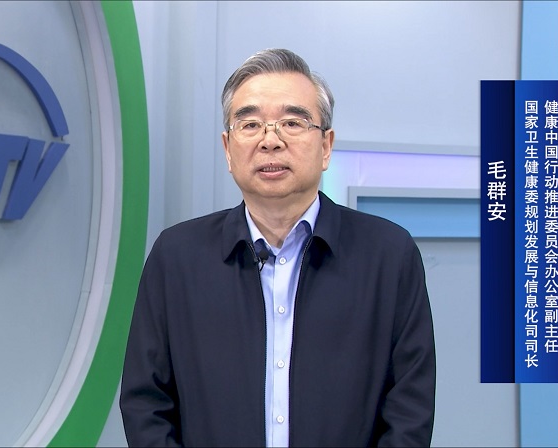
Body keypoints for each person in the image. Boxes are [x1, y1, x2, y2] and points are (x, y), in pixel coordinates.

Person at [120, 48, 436, 447]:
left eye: (292, 122)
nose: (270, 140)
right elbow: (145, 403)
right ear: (227, 149)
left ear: (326, 146)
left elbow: (409, 410)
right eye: (250, 124)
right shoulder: (177, 257)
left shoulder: (389, 255)